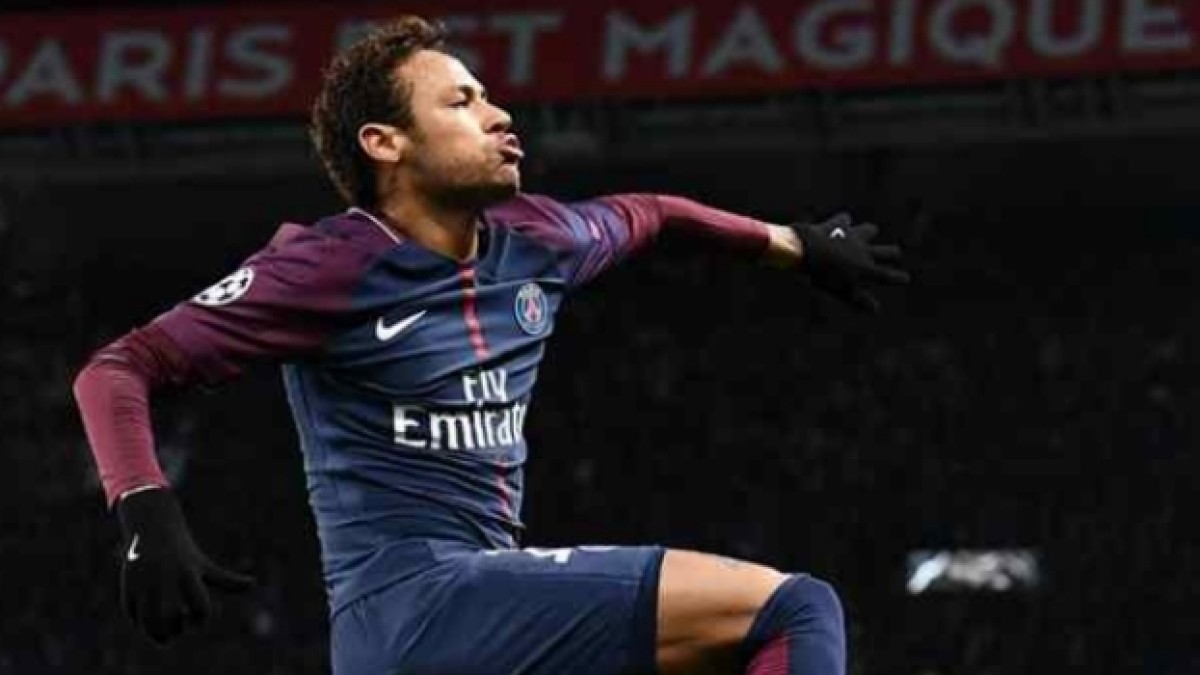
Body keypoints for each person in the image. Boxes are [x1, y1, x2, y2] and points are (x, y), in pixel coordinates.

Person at [73, 16, 907, 675]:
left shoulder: (539, 239)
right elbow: (117, 369)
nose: (500, 115)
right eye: (461, 102)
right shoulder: (328, 265)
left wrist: (792, 243)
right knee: (793, 609)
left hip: (480, 617)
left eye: (488, 97)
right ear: (385, 143)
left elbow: (654, 214)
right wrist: (146, 511)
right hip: (415, 605)